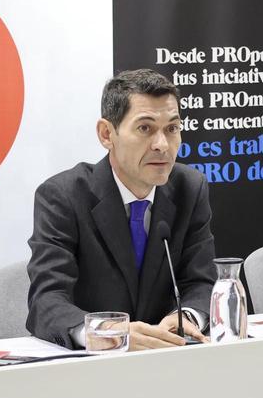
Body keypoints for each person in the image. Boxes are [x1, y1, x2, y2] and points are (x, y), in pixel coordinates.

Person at [27, 69, 216, 350]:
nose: (162, 145)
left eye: (172, 129)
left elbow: (201, 281)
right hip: (92, 371)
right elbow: (46, 301)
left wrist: (187, 316)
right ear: (107, 134)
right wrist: (106, 332)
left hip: (169, 360)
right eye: (145, 128)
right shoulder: (63, 196)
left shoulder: (190, 187)